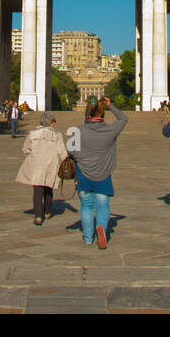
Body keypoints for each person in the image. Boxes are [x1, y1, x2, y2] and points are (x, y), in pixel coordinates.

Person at [72, 97, 128, 248]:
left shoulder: (78, 130)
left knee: (86, 206)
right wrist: (110, 105)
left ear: (87, 115)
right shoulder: (110, 129)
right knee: (103, 206)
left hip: (83, 173)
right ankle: (101, 228)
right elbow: (123, 119)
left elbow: (70, 151)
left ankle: (88, 238)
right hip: (103, 173)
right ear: (102, 115)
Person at [16, 112, 67, 225]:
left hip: (37, 164)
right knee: (48, 189)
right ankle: (48, 211)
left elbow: (26, 149)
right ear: (50, 122)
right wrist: (66, 163)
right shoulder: (57, 135)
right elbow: (62, 151)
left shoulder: (33, 133)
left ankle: (38, 216)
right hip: (51, 165)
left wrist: (31, 158)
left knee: (37, 191)